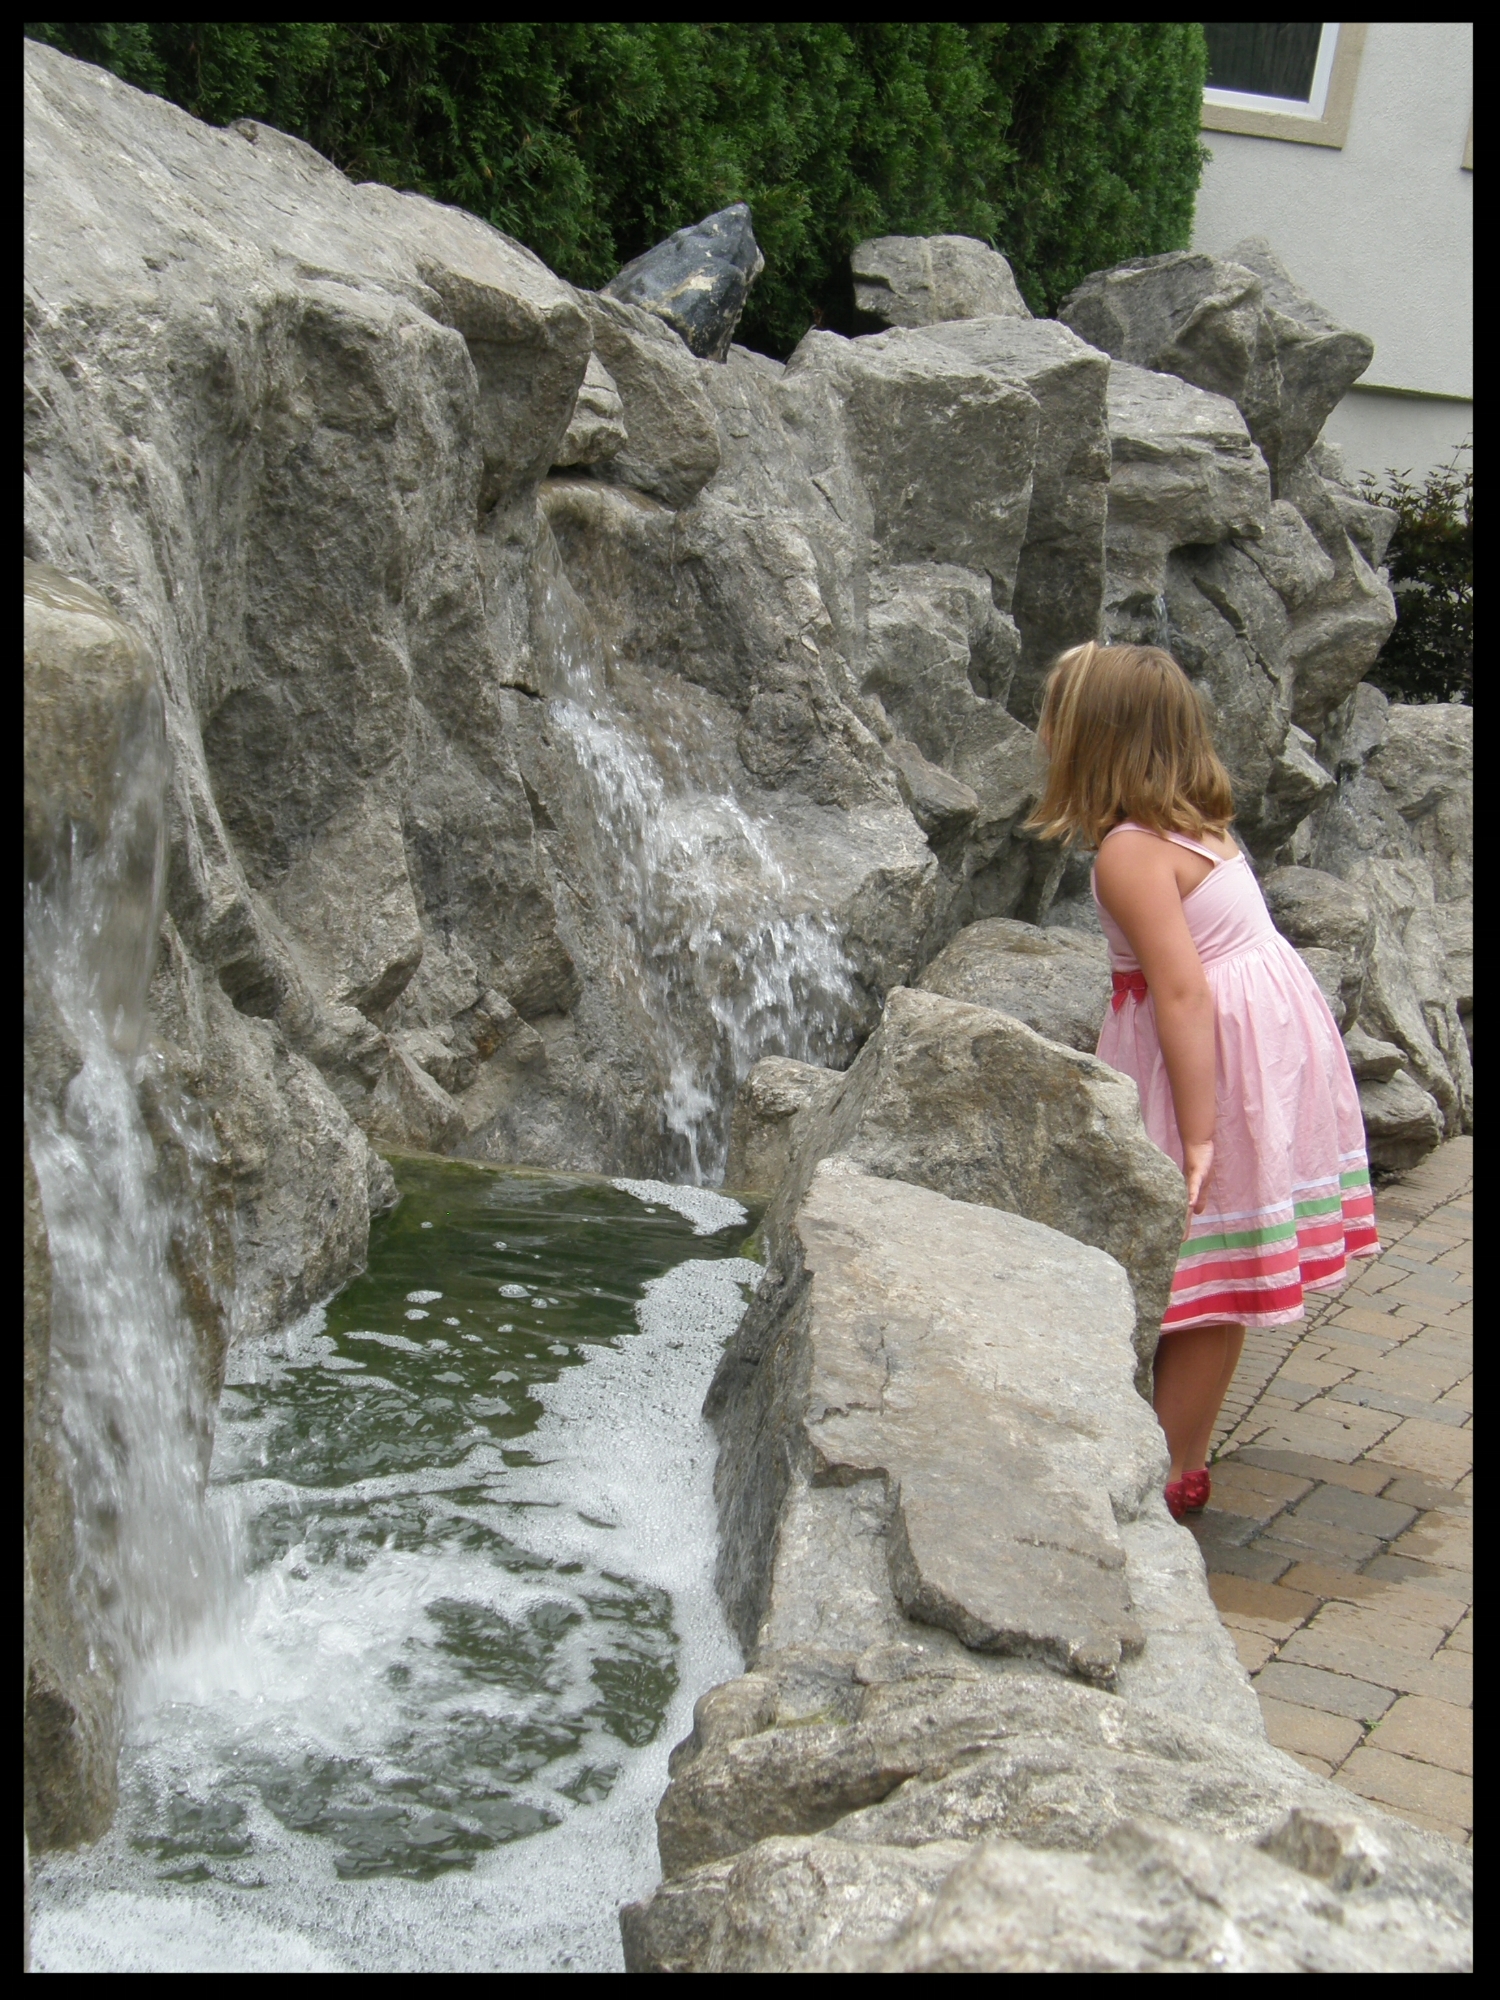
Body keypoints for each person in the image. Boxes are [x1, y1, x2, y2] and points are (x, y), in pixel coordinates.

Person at [1026, 642, 1378, 1520]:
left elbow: (1180, 988)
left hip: (1210, 1053)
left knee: (1192, 1257)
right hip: (1258, 1035)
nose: (1042, 734)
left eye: (1055, 719)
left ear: (1092, 741)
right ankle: (1186, 1456)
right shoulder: (1194, 826)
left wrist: (1199, 1130)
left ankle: (1165, 1471)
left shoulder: (1130, 854)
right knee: (1217, 1265)